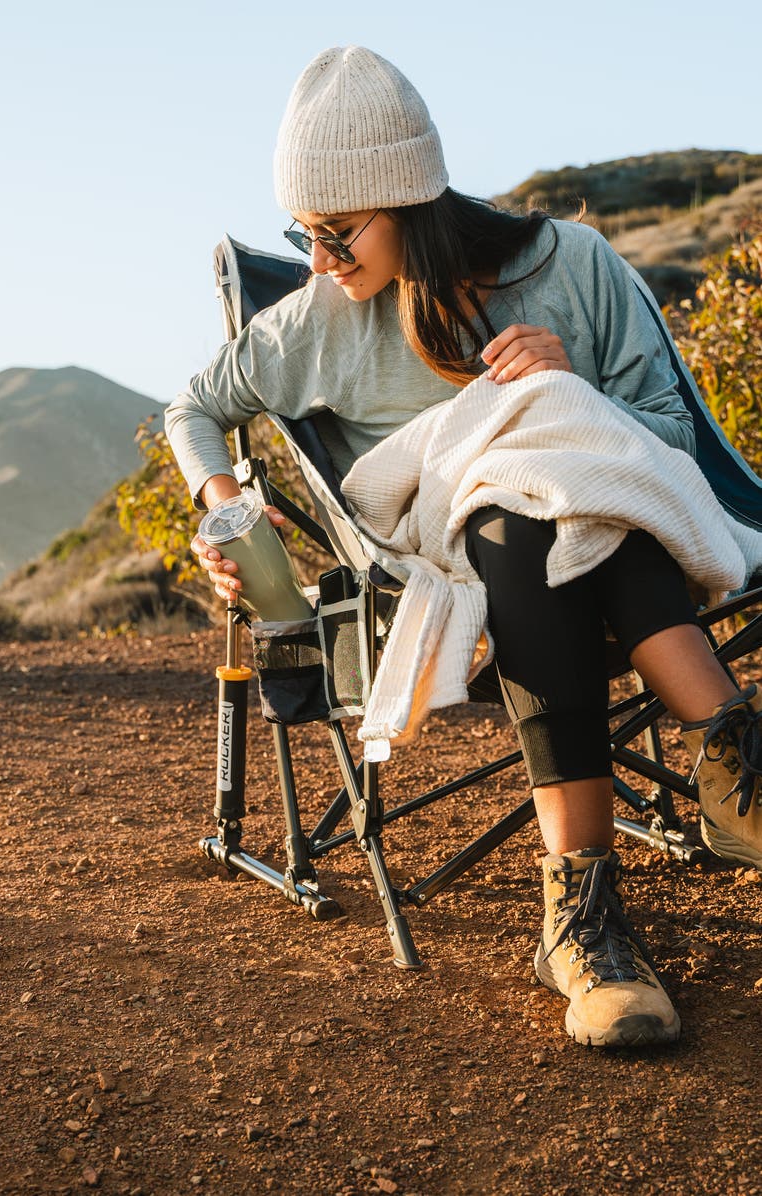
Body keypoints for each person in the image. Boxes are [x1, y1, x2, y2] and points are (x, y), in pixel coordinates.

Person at [165, 45, 762, 1049]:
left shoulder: (575, 268)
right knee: (515, 510)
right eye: (304, 233)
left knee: (562, 482)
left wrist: (570, 390)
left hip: (611, 523)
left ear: (408, 197)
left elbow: (664, 438)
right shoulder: (315, 322)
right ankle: (730, 765)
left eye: (337, 231)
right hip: (446, 554)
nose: (320, 261)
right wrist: (224, 503)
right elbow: (192, 409)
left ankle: (586, 926)